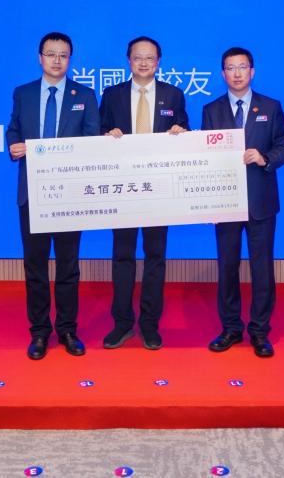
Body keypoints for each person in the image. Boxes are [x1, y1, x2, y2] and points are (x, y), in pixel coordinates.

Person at [7, 32, 99, 360]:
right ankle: (39, 332)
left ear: (70, 59)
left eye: (63, 55)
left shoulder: (84, 95)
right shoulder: (23, 93)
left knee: (68, 267)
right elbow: (13, 129)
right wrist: (13, 145)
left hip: (69, 195)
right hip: (32, 194)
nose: (56, 60)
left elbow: (92, 140)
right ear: (40, 58)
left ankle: (68, 330)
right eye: (50, 54)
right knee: (35, 266)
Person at [201, 46, 284, 358]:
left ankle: (260, 331)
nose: (237, 73)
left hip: (260, 201)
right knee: (227, 267)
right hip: (226, 203)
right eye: (231, 68)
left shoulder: (271, 106)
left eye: (242, 67)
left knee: (261, 268)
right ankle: (230, 328)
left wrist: (264, 158)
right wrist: (208, 202)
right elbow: (204, 157)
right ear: (223, 73)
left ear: (252, 71)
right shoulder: (211, 110)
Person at [99, 36, 189, 350]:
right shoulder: (112, 95)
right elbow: (96, 136)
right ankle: (122, 323)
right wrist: (106, 135)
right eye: (138, 57)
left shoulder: (173, 94)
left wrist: (180, 133)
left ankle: (150, 325)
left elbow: (187, 135)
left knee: (155, 257)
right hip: (122, 189)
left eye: (150, 58)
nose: (144, 63)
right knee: (122, 256)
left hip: (159, 190)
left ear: (158, 62)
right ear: (128, 60)